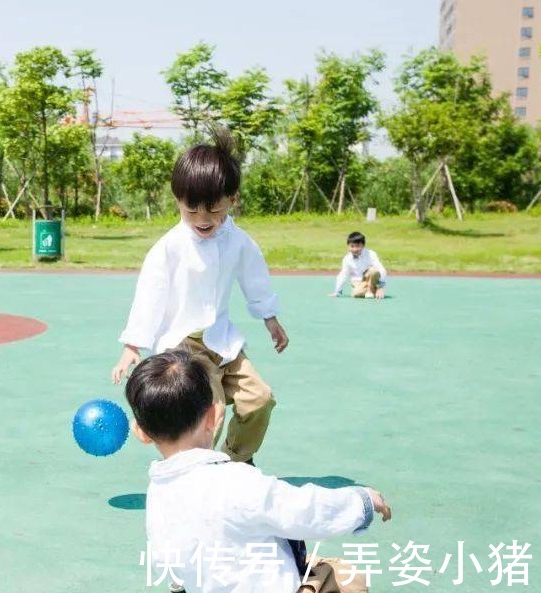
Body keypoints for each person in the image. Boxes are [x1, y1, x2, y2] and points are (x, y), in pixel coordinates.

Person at [126, 350, 392, 593]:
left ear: (142, 433)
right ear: (215, 415)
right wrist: (363, 502)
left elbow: (167, 559)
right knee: (346, 578)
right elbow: (303, 510)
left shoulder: (158, 494)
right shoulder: (237, 481)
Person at [112, 130, 287, 464]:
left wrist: (270, 318)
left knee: (260, 398)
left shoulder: (237, 239)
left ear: (232, 199)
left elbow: (255, 277)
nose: (203, 221)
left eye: (214, 211)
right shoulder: (169, 248)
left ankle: (237, 461)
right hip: (185, 350)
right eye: (192, 211)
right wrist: (132, 344)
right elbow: (150, 294)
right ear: (177, 200)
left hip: (223, 343)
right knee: (211, 413)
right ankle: (196, 476)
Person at [330, 232, 387, 299]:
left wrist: (380, 287)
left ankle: (372, 290)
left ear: (363, 245)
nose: (354, 249)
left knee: (373, 270)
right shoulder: (347, 259)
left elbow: (381, 269)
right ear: (348, 246)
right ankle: (371, 291)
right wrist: (337, 291)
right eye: (352, 246)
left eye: (357, 246)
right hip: (358, 282)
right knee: (356, 294)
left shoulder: (371, 254)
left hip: (371, 279)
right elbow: (343, 275)